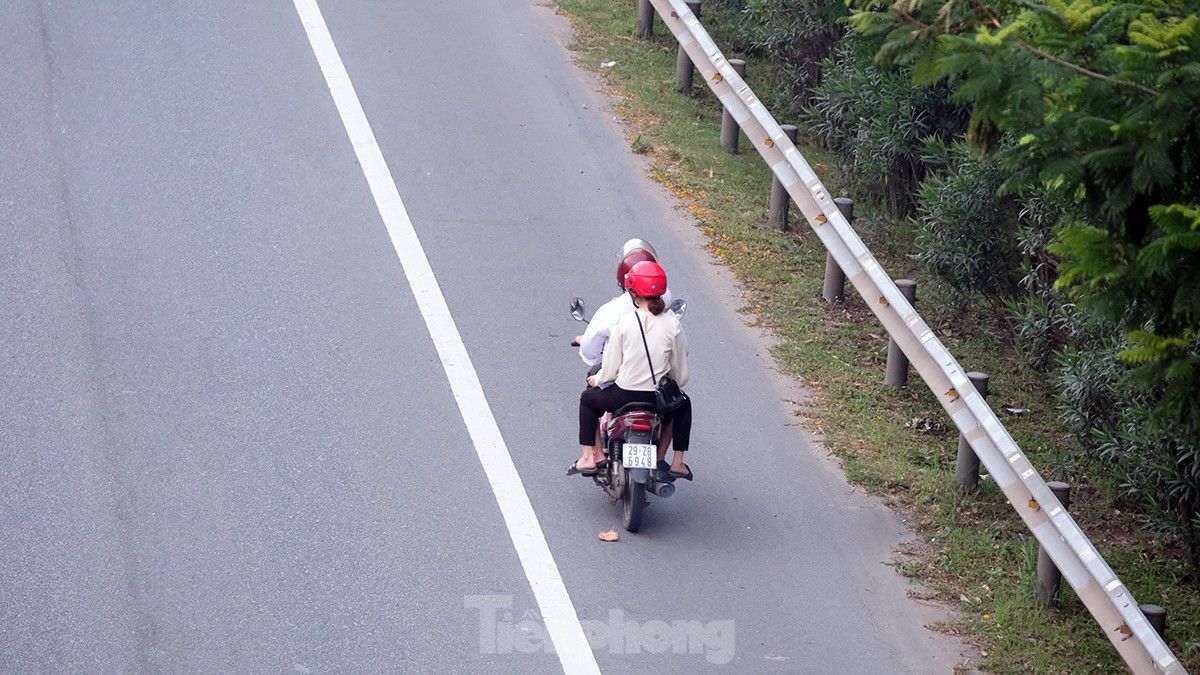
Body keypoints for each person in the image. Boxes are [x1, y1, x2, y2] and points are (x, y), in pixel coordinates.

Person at [571, 261, 693, 481]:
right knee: (683, 404)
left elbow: (610, 367)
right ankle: (677, 462)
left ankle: (589, 456)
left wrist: (597, 379)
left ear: (632, 290)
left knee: (587, 400)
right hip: (656, 400)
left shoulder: (624, 322)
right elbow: (680, 375)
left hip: (622, 395)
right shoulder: (672, 324)